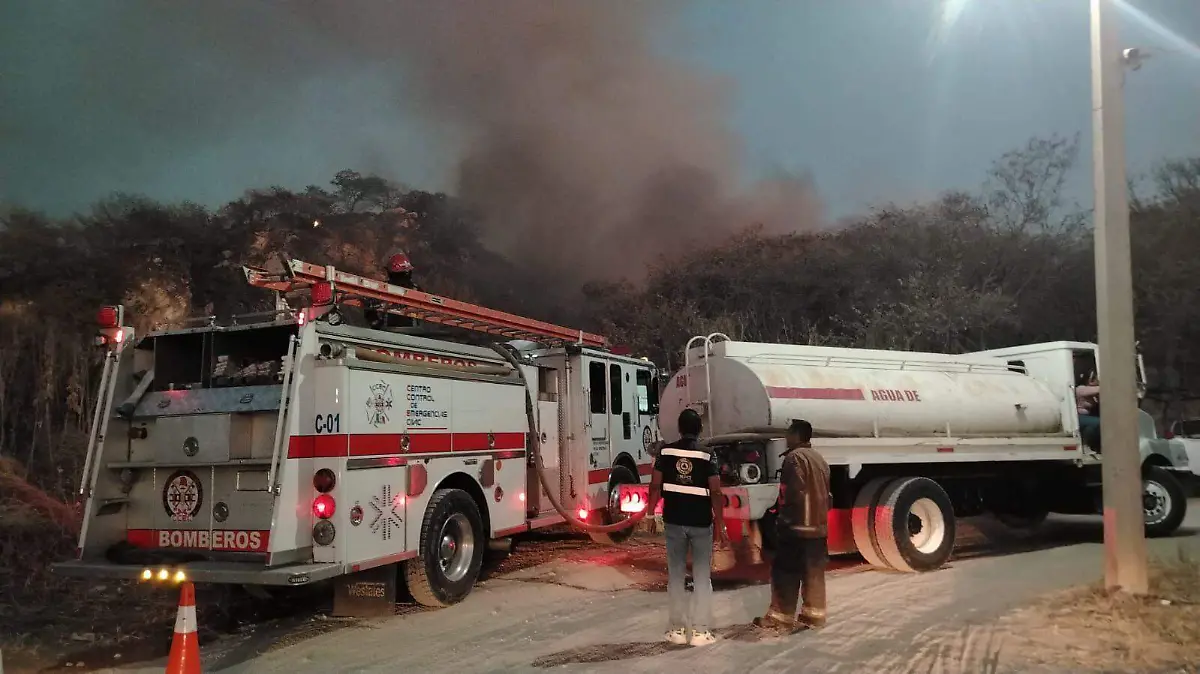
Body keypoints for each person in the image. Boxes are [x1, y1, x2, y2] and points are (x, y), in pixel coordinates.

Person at [644, 408, 728, 646]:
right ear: (699, 429)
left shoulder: (666, 452)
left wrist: (651, 515)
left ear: (679, 429)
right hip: (701, 523)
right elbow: (716, 490)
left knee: (676, 576)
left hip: (674, 522)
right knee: (702, 577)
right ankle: (701, 632)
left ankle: (676, 630)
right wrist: (720, 524)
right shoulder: (707, 455)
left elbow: (654, 486)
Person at [755, 419, 830, 631]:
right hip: (818, 527)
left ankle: (781, 617)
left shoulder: (794, 458)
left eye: (788, 432)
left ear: (797, 435)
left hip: (797, 526)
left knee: (785, 572)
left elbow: (791, 493)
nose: (786, 437)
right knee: (813, 573)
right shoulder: (819, 458)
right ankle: (814, 616)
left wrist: (781, 519)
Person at [368, 252, 419, 329]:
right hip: (404, 334)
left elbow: (369, 311)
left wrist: (376, 324)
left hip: (402, 334)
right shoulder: (416, 290)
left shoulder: (383, 288)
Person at [1076, 374, 1101, 452]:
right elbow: (1100, 389)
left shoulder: (1091, 392)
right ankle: (1085, 445)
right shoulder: (1081, 389)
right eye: (1096, 380)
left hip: (1087, 417)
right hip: (1079, 417)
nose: (1097, 382)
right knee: (1098, 422)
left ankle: (1091, 445)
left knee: (1091, 427)